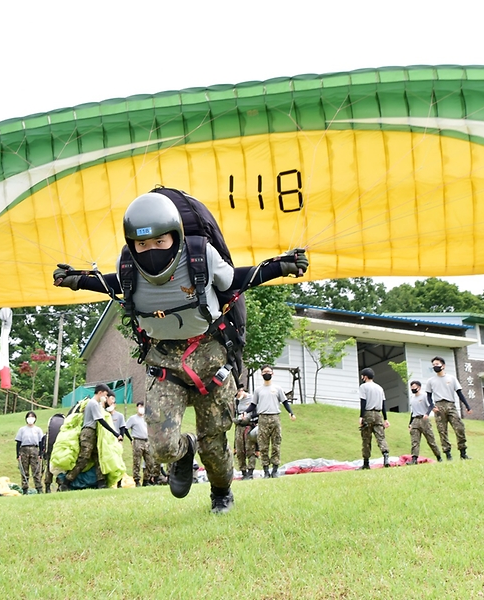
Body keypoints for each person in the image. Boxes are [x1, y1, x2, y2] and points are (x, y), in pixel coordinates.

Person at [53, 192, 307, 513]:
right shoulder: (129, 268)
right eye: (142, 245)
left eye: (160, 242)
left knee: (214, 446)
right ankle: (185, 451)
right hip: (165, 365)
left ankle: (220, 492)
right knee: (160, 447)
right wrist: (77, 280)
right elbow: (112, 283)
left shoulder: (201, 256)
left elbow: (237, 280)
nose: (152, 251)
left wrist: (280, 267)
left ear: (176, 235)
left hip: (211, 361)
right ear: (132, 245)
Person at [58, 385, 121, 491]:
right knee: (83, 459)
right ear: (100, 393)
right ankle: (66, 482)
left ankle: (101, 483)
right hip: (88, 433)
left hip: (92, 433)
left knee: (98, 458)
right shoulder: (93, 403)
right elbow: (100, 420)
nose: (106, 398)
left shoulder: (95, 404)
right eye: (105, 395)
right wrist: (115, 433)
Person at [242, 366, 296, 478]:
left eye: (269, 372)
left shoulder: (277, 388)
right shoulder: (258, 390)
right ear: (261, 374)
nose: (267, 373)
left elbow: (285, 402)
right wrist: (245, 412)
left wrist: (290, 412)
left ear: (273, 373)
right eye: (264, 372)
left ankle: (275, 470)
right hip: (263, 419)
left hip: (275, 417)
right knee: (263, 446)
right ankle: (266, 470)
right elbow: (253, 405)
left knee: (276, 444)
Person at [425, 356, 473, 461]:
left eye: (437, 364)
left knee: (459, 427)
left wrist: (467, 406)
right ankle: (448, 454)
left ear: (443, 365)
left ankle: (463, 452)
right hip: (439, 406)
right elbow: (428, 395)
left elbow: (459, 393)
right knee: (442, 431)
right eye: (433, 365)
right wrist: (432, 406)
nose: (435, 366)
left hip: (451, 404)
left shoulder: (451, 378)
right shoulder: (430, 381)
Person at [357, 368, 390, 468]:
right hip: (378, 414)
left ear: (365, 377)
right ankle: (386, 456)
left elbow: (363, 402)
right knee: (381, 437)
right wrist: (386, 418)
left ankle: (366, 463)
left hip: (368, 413)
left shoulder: (363, 387)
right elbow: (383, 404)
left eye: (362, 376)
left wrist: (361, 416)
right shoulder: (380, 388)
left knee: (366, 438)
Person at [125, 401, 159, 486]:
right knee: (137, 462)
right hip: (138, 440)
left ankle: (146, 480)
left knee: (150, 462)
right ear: (137, 407)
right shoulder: (133, 418)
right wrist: (130, 439)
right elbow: (125, 428)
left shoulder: (147, 418)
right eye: (140, 406)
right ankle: (137, 480)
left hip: (147, 441)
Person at [407, 380, 442, 464]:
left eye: (414, 387)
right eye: (411, 387)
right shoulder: (412, 398)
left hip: (424, 420)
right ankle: (414, 459)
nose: (413, 389)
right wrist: (410, 423)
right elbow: (413, 411)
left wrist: (427, 413)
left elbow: (431, 405)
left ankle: (439, 456)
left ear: (419, 387)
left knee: (431, 440)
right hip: (415, 420)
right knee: (415, 441)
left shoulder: (425, 396)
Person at [15, 411, 44, 494]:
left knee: (36, 471)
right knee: (24, 471)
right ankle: (25, 489)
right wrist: (18, 454)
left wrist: (41, 453)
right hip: (24, 450)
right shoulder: (22, 429)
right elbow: (18, 443)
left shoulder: (38, 430)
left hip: (35, 450)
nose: (30, 418)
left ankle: (39, 488)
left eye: (32, 417)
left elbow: (41, 442)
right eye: (29, 417)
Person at [233, 385, 258, 480]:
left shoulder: (252, 398)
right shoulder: (237, 401)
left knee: (250, 449)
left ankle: (251, 471)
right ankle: (243, 471)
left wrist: (249, 417)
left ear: (241, 391)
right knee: (240, 450)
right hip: (240, 426)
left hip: (250, 425)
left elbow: (258, 411)